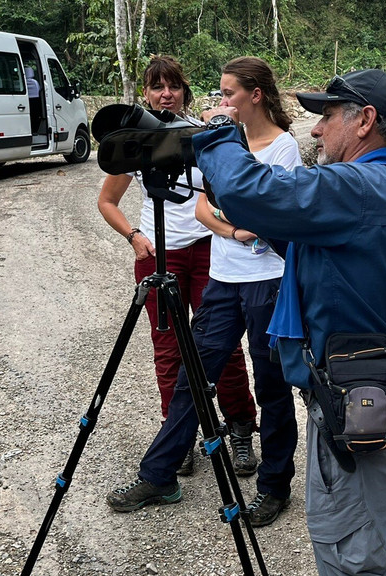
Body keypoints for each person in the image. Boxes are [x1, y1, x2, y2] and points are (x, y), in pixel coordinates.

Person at [196, 69, 386, 575]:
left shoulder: (358, 186)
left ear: (365, 121)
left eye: (327, 116)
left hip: (352, 396)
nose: (317, 130)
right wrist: (271, 220)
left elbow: (252, 191)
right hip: (365, 386)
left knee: (356, 553)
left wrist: (218, 131)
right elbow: (317, 254)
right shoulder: (381, 185)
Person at [107, 56, 301, 527]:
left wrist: (234, 215)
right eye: (219, 93)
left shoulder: (283, 147)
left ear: (255, 95)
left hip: (267, 279)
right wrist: (235, 228)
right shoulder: (221, 144)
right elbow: (204, 210)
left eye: (228, 93)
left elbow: (269, 213)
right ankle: (160, 473)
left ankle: (274, 486)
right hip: (224, 276)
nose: (221, 101)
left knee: (272, 384)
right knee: (191, 377)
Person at [97, 56, 256, 477]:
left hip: (208, 250)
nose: (165, 94)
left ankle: (241, 427)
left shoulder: (203, 133)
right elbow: (107, 201)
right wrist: (134, 236)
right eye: (156, 87)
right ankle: (177, 438)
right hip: (158, 254)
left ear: (185, 90)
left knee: (221, 345)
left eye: (173, 86)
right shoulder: (138, 143)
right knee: (168, 348)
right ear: (145, 94)